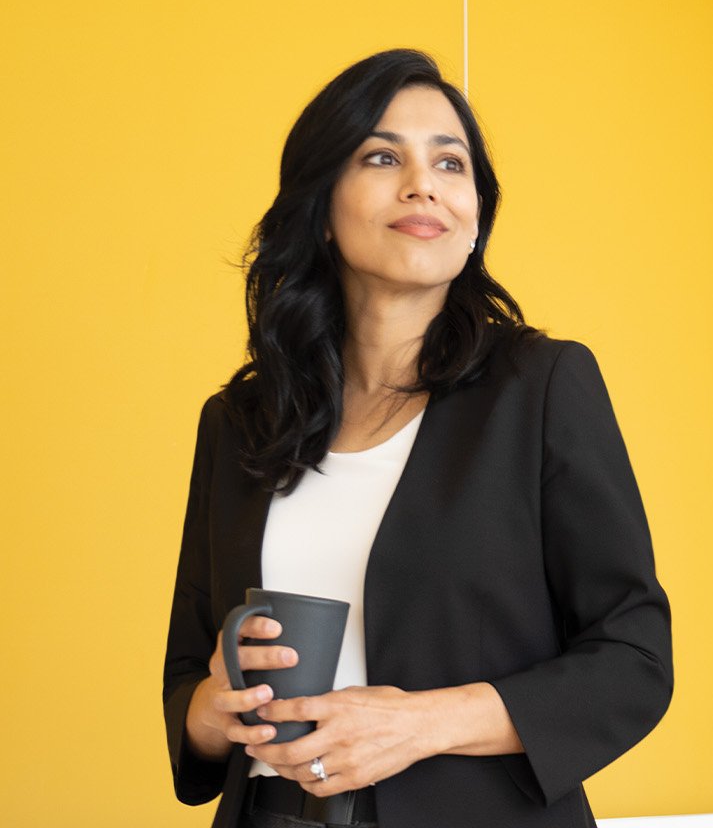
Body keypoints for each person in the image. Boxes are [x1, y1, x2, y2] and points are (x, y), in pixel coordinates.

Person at [161, 49, 673, 828]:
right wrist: (208, 711)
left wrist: (418, 724)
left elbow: (633, 662)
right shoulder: (238, 422)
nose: (423, 183)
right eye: (381, 156)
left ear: (474, 215)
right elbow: (189, 671)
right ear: (321, 205)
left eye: (449, 162)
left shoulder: (539, 387)